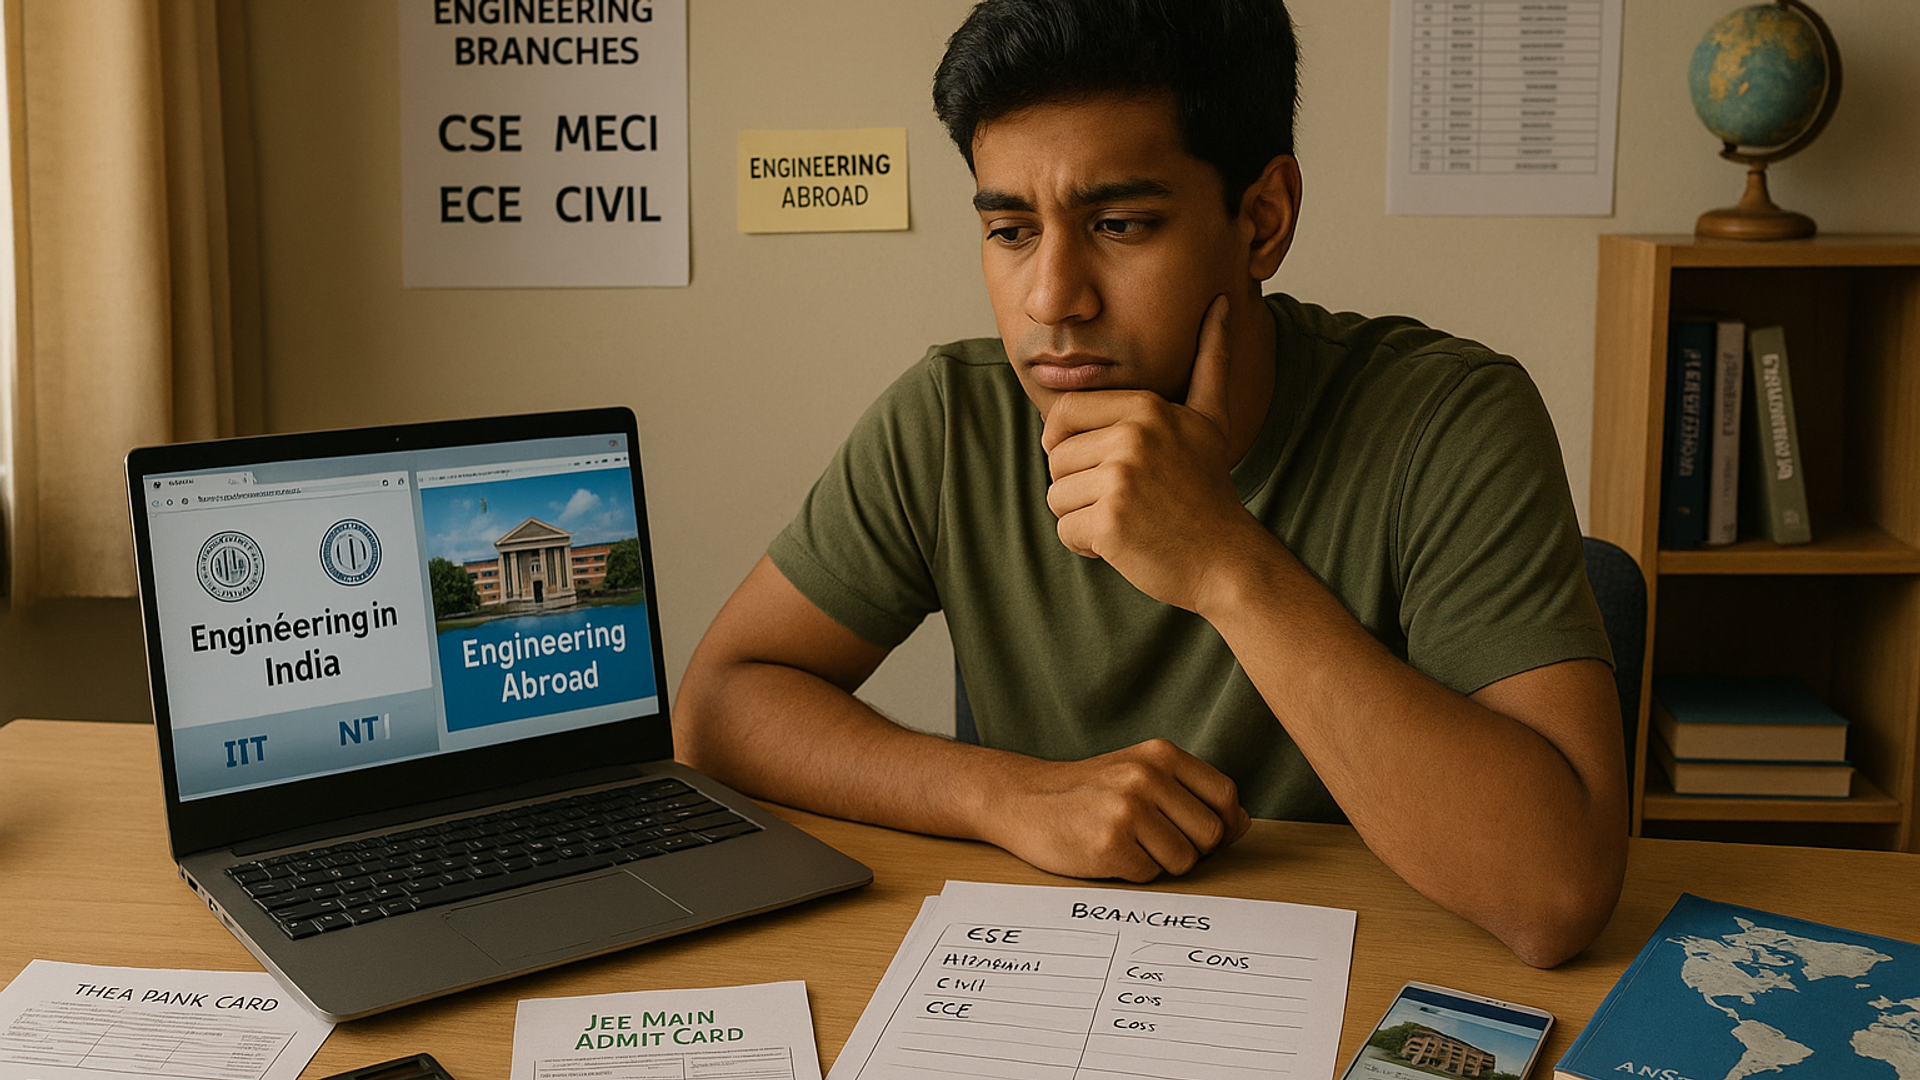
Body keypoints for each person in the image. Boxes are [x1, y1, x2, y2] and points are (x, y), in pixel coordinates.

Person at [676, 0, 1628, 968]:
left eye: (1119, 224)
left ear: (1263, 221)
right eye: (1010, 230)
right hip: (1061, 986)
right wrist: (1007, 796)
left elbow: (1555, 893)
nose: (1052, 299)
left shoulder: (1449, 421)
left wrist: (1223, 558)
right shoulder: (950, 421)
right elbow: (718, 709)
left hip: (1362, 984)